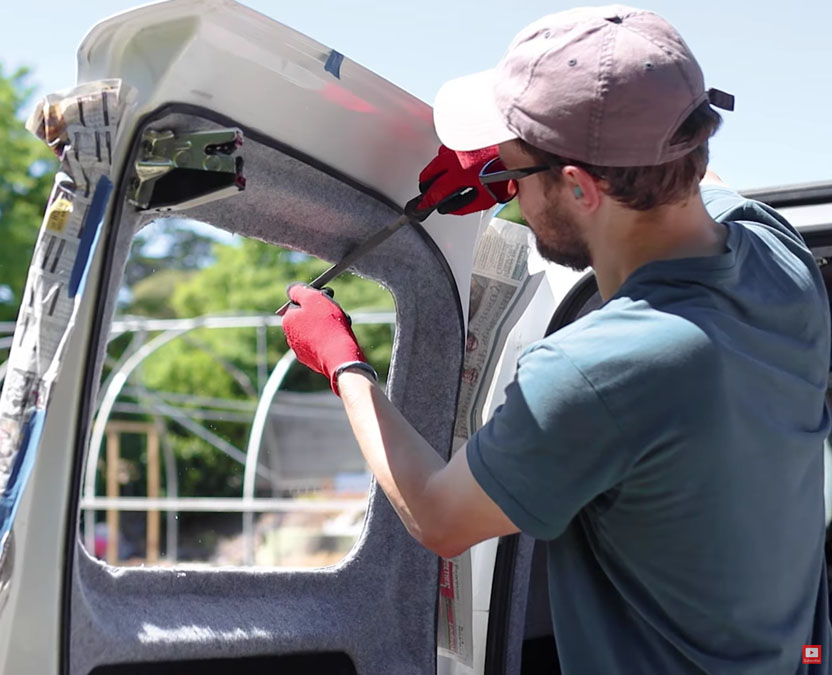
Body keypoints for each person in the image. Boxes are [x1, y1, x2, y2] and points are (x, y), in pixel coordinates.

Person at [280, 6, 831, 673]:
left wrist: (342, 361)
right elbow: (702, 181)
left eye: (514, 172)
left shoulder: (599, 368)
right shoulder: (778, 256)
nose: (509, 191)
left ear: (579, 187)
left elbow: (439, 516)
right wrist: (516, 160)